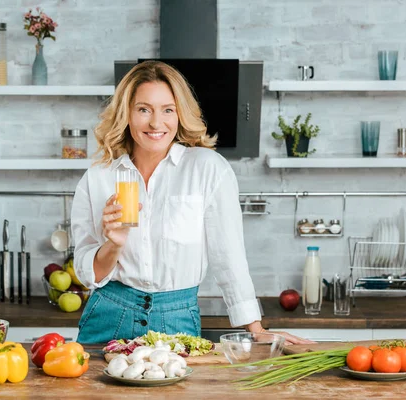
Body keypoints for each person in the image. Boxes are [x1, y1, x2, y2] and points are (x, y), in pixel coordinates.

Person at [71, 60, 312, 345]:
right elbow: (89, 275)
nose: (156, 123)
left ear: (180, 114)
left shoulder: (208, 169)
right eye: (143, 109)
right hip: (108, 316)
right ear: (126, 114)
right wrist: (113, 244)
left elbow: (229, 256)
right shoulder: (98, 177)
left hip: (177, 318)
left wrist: (255, 329)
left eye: (167, 110)